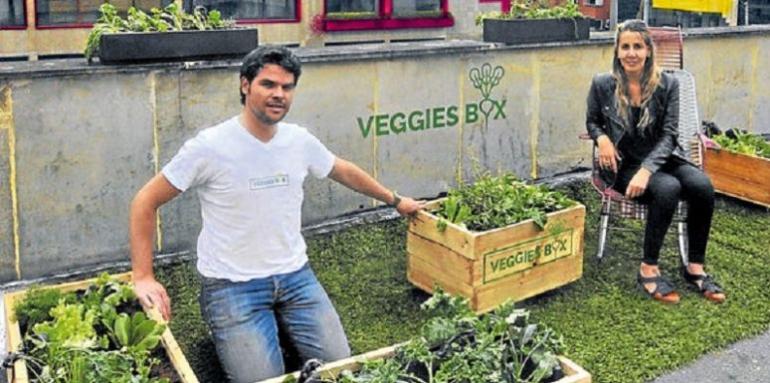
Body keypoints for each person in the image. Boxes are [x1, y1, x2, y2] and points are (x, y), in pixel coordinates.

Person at [129, 45, 423, 382]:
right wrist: (143, 276)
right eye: (268, 84)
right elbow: (145, 201)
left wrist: (396, 200)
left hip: (296, 278)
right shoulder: (210, 146)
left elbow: (342, 169)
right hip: (231, 286)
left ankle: (278, 326)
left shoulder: (298, 141)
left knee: (339, 369)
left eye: (287, 87)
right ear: (245, 85)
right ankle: (247, 331)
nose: (278, 94)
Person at [585, 20, 725, 305]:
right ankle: (648, 267)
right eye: (625, 46)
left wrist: (647, 170)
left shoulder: (667, 85)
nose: (631, 53)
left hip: (660, 158)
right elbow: (592, 121)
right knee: (668, 189)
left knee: (702, 186)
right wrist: (601, 139)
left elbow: (670, 135)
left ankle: (694, 267)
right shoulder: (602, 84)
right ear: (617, 50)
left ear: (648, 50)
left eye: (638, 46)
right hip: (622, 166)